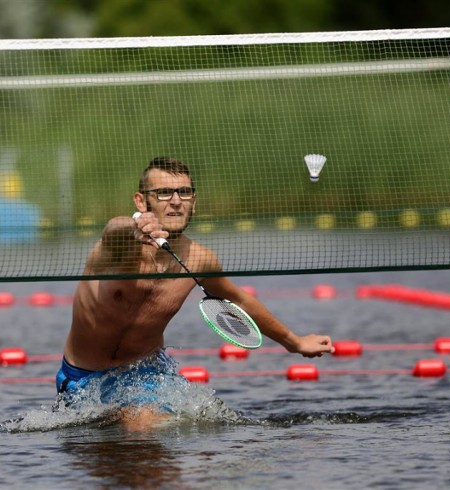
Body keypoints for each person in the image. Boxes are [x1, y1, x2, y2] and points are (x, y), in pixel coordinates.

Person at [56, 157, 334, 428]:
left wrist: (294, 342)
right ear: (142, 201)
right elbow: (112, 230)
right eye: (164, 193)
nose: (176, 201)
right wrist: (133, 227)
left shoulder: (200, 260)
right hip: (83, 377)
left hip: (145, 374)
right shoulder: (118, 249)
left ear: (194, 202)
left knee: (143, 425)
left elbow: (237, 300)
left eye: (184, 193)